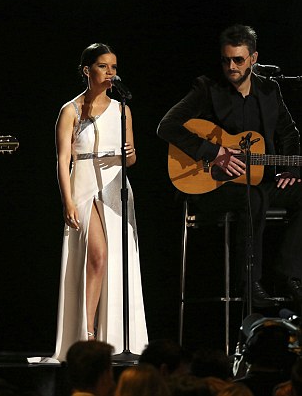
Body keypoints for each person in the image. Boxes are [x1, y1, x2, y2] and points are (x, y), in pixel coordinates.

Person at [157, 24, 302, 307]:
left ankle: (291, 274)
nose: (231, 66)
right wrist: (215, 152)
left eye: (238, 60)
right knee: (254, 195)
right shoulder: (207, 88)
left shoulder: (269, 90)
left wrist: (293, 170)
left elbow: (290, 133)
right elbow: (167, 127)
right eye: (226, 60)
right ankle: (249, 283)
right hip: (210, 185)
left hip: (256, 182)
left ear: (254, 58)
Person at [52, 42, 148, 361]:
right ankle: (88, 334)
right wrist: (67, 201)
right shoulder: (71, 110)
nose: (110, 72)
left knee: (116, 262)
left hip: (115, 187)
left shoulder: (123, 110)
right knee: (97, 255)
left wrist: (130, 156)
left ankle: (117, 337)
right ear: (87, 70)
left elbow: (129, 156)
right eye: (104, 66)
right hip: (83, 185)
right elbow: (62, 159)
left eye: (114, 67)